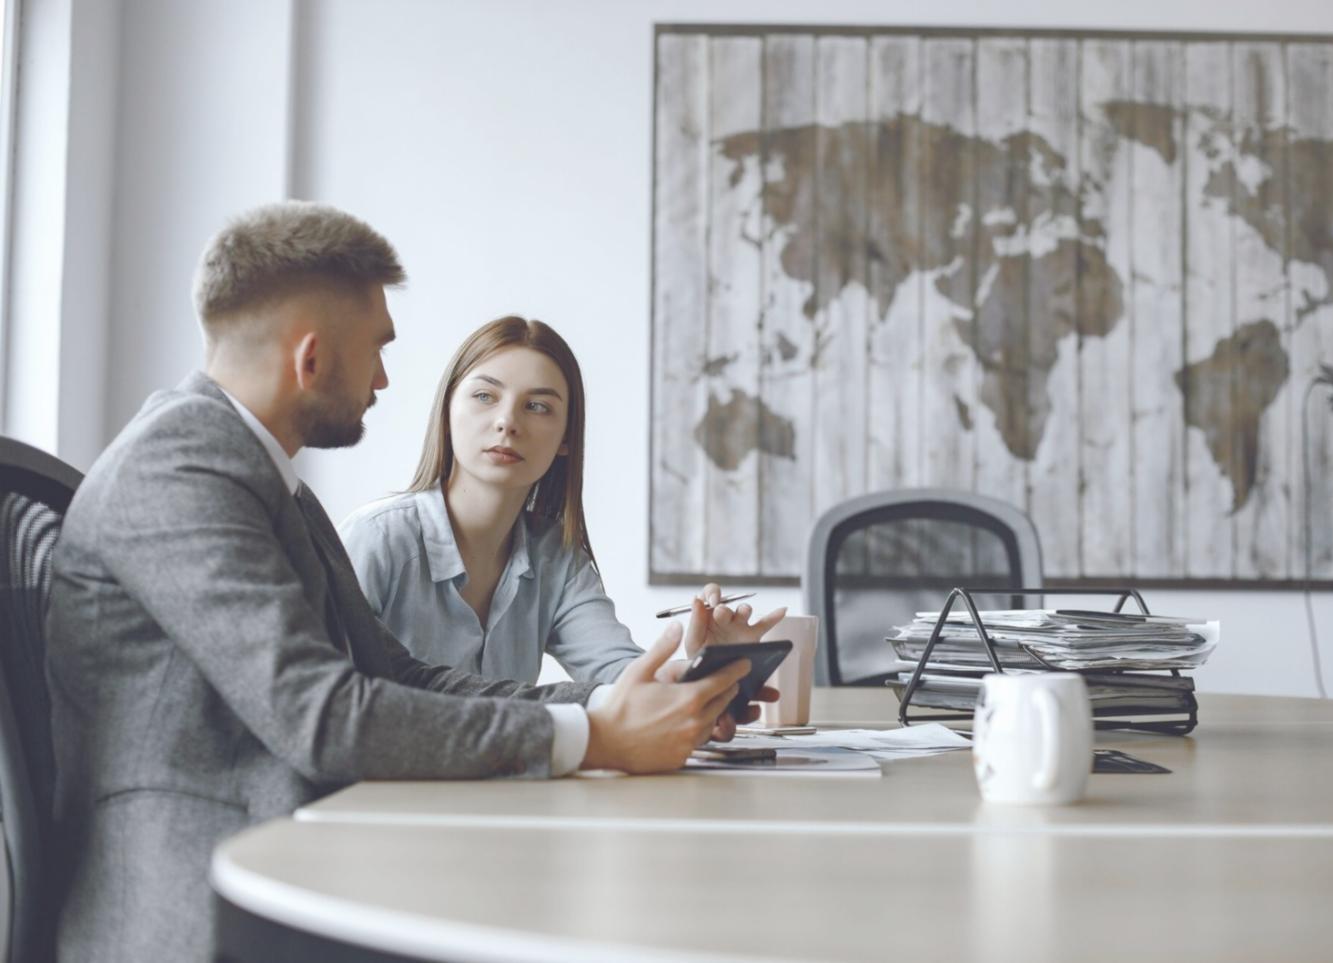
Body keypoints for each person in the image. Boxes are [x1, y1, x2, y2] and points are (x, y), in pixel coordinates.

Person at [44, 201, 762, 962]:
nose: (386, 378)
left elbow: (397, 672)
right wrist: (591, 737)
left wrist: (612, 705)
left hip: (304, 858)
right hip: (206, 901)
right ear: (312, 357)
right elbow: (322, 715)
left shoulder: (261, 475)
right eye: (377, 349)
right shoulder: (178, 466)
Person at [339, 315, 785, 684]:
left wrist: (706, 669)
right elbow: (330, 701)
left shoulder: (555, 556)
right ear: (447, 413)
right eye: (484, 396)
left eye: (538, 407)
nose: (507, 422)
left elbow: (621, 677)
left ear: (566, 439)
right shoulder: (379, 540)